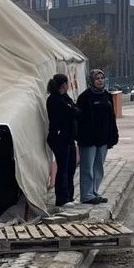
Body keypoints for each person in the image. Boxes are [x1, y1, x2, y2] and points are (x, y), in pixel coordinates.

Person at [75, 69, 119, 205]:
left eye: (102, 78)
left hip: (103, 138)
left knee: (98, 166)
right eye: (97, 79)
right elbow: (79, 118)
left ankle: (94, 191)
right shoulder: (85, 97)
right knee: (87, 167)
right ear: (92, 81)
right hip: (88, 139)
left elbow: (111, 116)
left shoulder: (106, 95)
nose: (100, 81)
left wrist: (113, 135)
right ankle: (86, 194)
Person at [45, 74, 79, 208]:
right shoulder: (54, 99)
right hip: (59, 137)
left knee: (71, 167)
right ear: (63, 84)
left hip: (69, 137)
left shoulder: (65, 97)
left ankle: (70, 195)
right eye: (67, 83)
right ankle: (61, 198)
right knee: (63, 167)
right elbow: (72, 112)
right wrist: (73, 110)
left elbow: (75, 110)